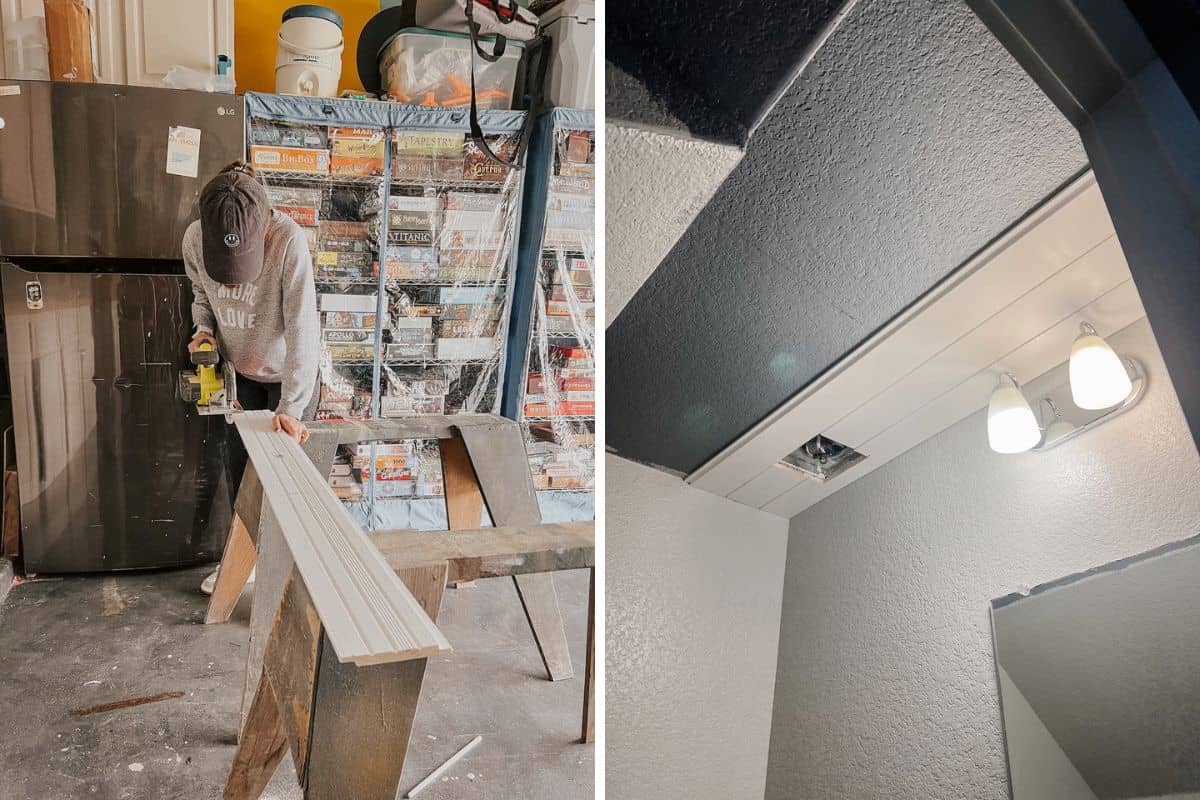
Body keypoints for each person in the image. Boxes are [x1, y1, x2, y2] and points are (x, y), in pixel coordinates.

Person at [183, 162, 321, 594]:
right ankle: (246, 562)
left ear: (264, 223)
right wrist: (203, 330)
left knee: (287, 480)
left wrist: (293, 407)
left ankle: (294, 578)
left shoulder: (288, 241)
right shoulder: (193, 240)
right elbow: (201, 293)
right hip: (238, 374)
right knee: (241, 475)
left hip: (287, 377)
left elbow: (303, 328)